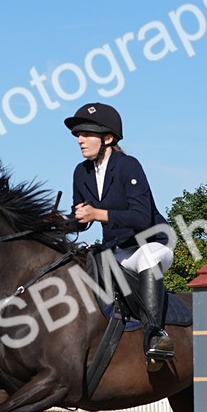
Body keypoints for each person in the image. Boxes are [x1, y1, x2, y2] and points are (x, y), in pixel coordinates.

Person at [66, 103, 175, 363]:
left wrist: (96, 214)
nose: (80, 140)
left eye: (87, 134)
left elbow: (141, 217)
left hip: (151, 243)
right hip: (117, 251)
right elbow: (81, 219)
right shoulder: (81, 172)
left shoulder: (128, 165)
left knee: (147, 258)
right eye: (78, 135)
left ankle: (155, 335)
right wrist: (60, 222)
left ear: (108, 138)